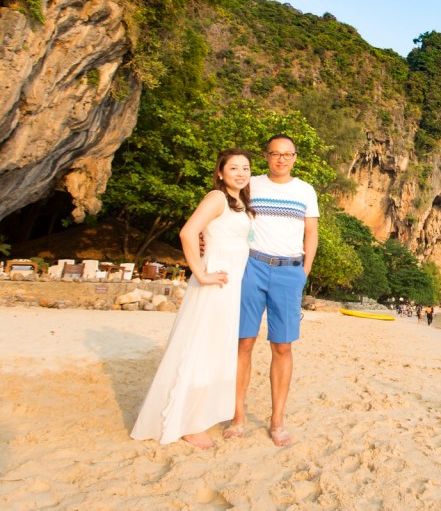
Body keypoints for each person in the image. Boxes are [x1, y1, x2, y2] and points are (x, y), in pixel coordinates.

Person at [131, 149, 254, 449]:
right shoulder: (216, 198)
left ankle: (196, 414)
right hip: (215, 282)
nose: (240, 173)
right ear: (221, 173)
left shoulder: (240, 205)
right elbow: (188, 233)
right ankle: (186, 422)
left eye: (245, 168)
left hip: (231, 285)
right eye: (233, 168)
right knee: (201, 347)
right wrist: (200, 272)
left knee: (216, 349)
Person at [224, 135, 318, 447]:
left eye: (287, 154)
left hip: (289, 270)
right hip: (252, 267)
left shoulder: (305, 191)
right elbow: (227, 215)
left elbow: (311, 233)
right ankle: (237, 416)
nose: (281, 159)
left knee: (282, 347)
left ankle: (277, 421)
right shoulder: (251, 185)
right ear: (266, 156)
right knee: (243, 343)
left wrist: (303, 273)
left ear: (295, 157)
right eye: (275, 154)